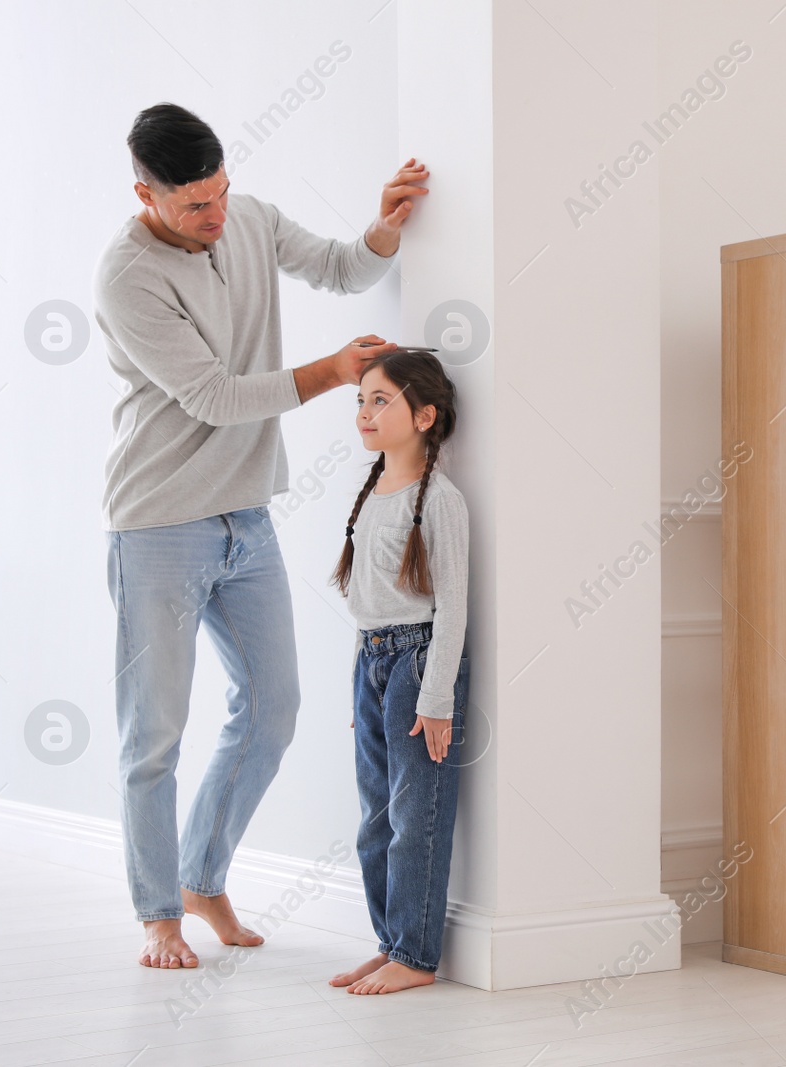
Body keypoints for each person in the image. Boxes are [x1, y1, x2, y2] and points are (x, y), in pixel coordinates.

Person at [93, 101, 429, 969]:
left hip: (246, 514)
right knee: (154, 732)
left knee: (273, 710)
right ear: (147, 194)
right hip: (159, 521)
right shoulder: (125, 275)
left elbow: (339, 268)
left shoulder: (244, 218)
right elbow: (212, 396)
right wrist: (330, 372)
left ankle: (203, 873)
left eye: (221, 193)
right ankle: (159, 914)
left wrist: (385, 228)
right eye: (194, 205)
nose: (216, 216)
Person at [326, 350, 470, 995]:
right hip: (369, 659)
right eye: (360, 399)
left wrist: (436, 698)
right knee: (375, 821)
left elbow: (454, 604)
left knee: (417, 819)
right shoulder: (372, 489)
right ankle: (390, 943)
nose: (364, 412)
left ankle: (416, 954)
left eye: (380, 400)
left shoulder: (440, 500)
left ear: (424, 415)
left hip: (416, 663)